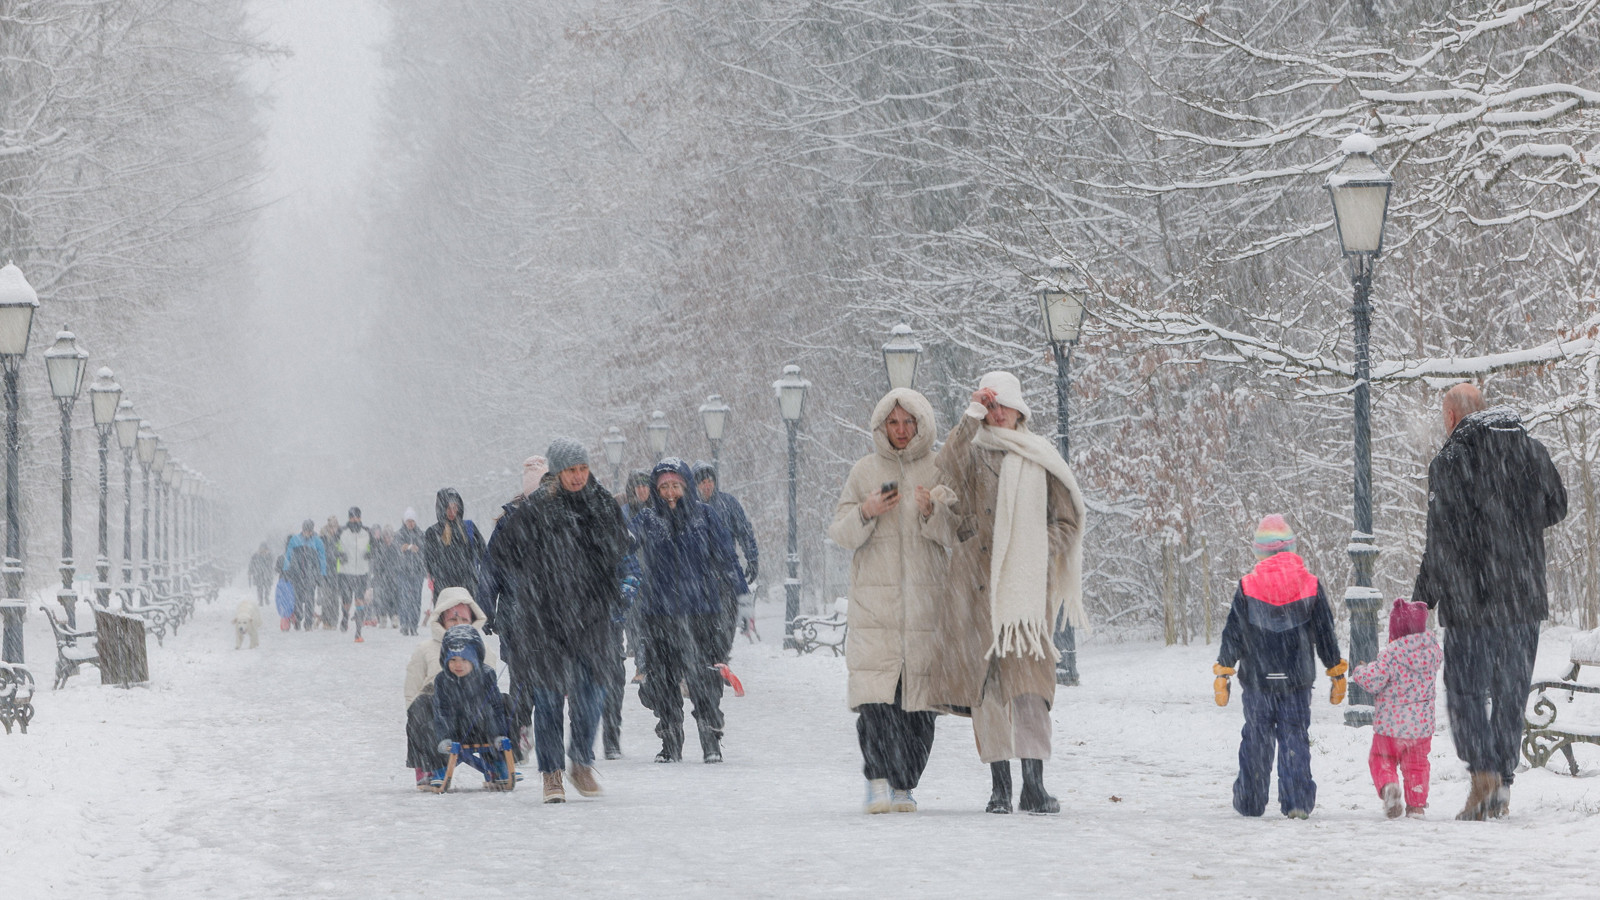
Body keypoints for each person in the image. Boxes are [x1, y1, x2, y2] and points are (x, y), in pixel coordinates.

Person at [927, 371, 1086, 814]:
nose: (996, 413)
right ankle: (1000, 786)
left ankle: (1034, 785)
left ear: (1020, 410)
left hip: (1026, 594)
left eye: (1002, 406)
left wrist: (1034, 549)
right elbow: (945, 471)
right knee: (989, 688)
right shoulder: (973, 451)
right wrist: (969, 415)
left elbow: (1067, 522)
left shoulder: (1040, 457)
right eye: (989, 406)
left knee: (1029, 688)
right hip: (978, 587)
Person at [1411, 383, 1567, 820]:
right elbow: (1558, 506)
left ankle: (1483, 773)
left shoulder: (1450, 460)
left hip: (1470, 601)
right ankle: (1501, 784)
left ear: (1454, 417)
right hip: (1521, 598)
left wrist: (1420, 602)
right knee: (1511, 692)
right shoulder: (1530, 448)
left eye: (1444, 415)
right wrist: (1518, 524)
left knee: (1464, 692)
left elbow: (1439, 541)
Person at [828, 388, 953, 814]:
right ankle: (877, 781)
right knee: (877, 702)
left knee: (919, 707)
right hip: (875, 611)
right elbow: (840, 534)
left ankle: (905, 784)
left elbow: (958, 533)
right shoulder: (864, 471)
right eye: (893, 423)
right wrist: (866, 511)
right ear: (882, 427)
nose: (901, 431)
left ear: (922, 425)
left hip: (925, 609)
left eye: (908, 423)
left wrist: (931, 512)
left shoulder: (939, 469)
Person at [490, 438, 629, 802]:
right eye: (571, 470)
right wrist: (533, 582)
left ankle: (580, 761)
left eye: (583, 468)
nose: (578, 476)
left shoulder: (601, 503)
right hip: (546, 618)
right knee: (549, 699)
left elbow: (622, 547)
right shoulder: (537, 508)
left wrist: (616, 581)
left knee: (592, 693)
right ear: (557, 471)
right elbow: (504, 552)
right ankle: (552, 773)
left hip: (592, 616)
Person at [1214, 514, 1346, 819]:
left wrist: (1224, 669)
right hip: (1297, 680)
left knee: (1257, 737)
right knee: (1294, 736)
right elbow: (1325, 632)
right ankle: (1297, 799)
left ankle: (1249, 800)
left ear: (1259, 552)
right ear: (1292, 549)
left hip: (1258, 679)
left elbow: (1233, 633)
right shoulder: (1310, 585)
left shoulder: (1248, 587)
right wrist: (1335, 671)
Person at [631, 457, 748, 764]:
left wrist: (740, 594)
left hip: (701, 611)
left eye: (676, 486)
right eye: (664, 487)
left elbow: (726, 557)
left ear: (686, 486)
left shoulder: (705, 517)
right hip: (659, 614)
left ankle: (711, 741)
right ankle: (671, 742)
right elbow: (623, 551)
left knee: (704, 678)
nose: (670, 493)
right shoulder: (646, 521)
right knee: (662, 679)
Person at [1350, 598, 1442, 819]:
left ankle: (1389, 787)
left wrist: (1360, 671)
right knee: (1417, 766)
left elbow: (1374, 680)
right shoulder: (1433, 654)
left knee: (1381, 758)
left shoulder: (1391, 655)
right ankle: (1417, 806)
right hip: (1421, 729)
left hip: (1390, 727)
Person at [403, 587, 500, 789]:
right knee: (420, 705)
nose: (458, 625)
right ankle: (428, 767)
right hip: (439, 720)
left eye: (464, 620)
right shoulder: (426, 649)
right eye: (452, 620)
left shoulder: (484, 650)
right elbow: (412, 689)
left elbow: (491, 689)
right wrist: (416, 713)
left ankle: (497, 763)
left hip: (474, 718)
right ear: (441, 621)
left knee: (503, 703)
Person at [431, 625, 514, 789]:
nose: (458, 665)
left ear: (475, 659)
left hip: (483, 729)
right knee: (427, 713)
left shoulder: (486, 675)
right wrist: (444, 737)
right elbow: (442, 711)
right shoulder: (442, 680)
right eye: (453, 660)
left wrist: (498, 734)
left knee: (503, 703)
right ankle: (440, 768)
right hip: (454, 730)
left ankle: (498, 764)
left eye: (464, 660)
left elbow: (496, 707)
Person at [693, 461, 759, 659]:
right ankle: (708, 663)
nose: (707, 486)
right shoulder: (689, 509)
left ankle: (720, 659)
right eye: (703, 482)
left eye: (710, 481)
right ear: (695, 485)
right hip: (699, 578)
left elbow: (744, 532)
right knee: (704, 624)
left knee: (728, 621)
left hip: (726, 574)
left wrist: (752, 558)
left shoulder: (728, 504)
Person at [423, 487, 485, 599]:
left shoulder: (469, 528)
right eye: (448, 508)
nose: (452, 512)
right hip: (444, 590)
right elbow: (429, 562)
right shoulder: (433, 533)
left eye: (455, 507)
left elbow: (483, 553)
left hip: (468, 589)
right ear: (441, 509)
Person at [282, 520, 327, 632]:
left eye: (309, 531)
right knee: (297, 599)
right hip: (296, 575)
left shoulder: (317, 541)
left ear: (312, 530)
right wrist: (286, 570)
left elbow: (322, 559)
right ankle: (298, 619)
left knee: (309, 599)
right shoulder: (295, 540)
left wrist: (322, 574)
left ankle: (308, 623)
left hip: (311, 575)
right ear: (302, 529)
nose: (307, 533)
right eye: (305, 530)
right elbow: (288, 555)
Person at [337, 507, 373, 635]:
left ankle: (358, 630)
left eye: (357, 517)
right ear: (349, 518)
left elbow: (374, 548)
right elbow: (333, 548)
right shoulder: (342, 532)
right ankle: (345, 617)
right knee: (347, 601)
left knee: (359, 600)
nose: (354, 519)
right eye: (352, 517)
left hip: (361, 572)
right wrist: (339, 555)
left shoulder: (366, 532)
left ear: (360, 518)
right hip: (346, 571)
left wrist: (370, 554)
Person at [396, 509, 427, 635]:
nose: (410, 523)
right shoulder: (399, 534)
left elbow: (425, 550)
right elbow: (398, 547)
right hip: (403, 571)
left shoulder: (421, 534)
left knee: (416, 599)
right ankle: (404, 624)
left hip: (418, 572)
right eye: (408, 521)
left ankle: (414, 625)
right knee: (404, 598)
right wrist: (408, 547)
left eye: (412, 521)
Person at [319, 516, 343, 629]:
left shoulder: (340, 538)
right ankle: (326, 621)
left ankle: (333, 620)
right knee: (326, 598)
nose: (333, 530)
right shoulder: (323, 538)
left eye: (335, 527)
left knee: (334, 598)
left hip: (337, 572)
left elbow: (342, 553)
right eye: (332, 527)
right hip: (325, 572)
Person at [248, 542, 276, 607]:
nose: (263, 550)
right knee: (259, 588)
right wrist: (250, 571)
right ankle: (260, 600)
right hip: (259, 575)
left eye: (264, 548)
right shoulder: (255, 556)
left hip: (267, 575)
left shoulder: (269, 556)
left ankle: (266, 597)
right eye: (261, 548)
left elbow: (272, 564)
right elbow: (251, 564)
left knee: (267, 588)